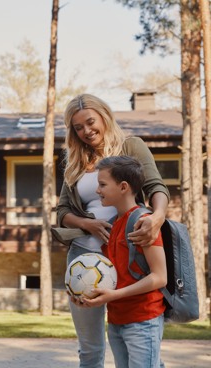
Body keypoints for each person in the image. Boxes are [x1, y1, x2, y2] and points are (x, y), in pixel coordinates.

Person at [55, 94, 170, 367]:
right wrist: (87, 224)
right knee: (90, 347)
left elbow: (156, 187)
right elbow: (62, 212)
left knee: (137, 337)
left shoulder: (131, 147)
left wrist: (158, 217)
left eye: (90, 122)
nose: (86, 131)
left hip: (126, 256)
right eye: (77, 127)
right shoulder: (74, 159)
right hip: (84, 259)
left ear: (105, 116)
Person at [81, 155, 167, 368]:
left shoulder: (142, 223)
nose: (97, 190)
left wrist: (115, 295)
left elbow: (159, 277)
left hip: (142, 320)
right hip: (117, 320)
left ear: (123, 187)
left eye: (102, 184)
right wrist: (83, 293)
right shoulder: (113, 224)